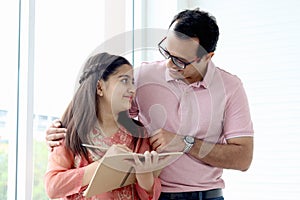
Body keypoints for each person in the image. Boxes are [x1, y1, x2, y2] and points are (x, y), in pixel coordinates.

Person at [46, 8, 254, 200]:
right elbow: (99, 99)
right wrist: (61, 126)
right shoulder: (144, 76)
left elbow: (243, 158)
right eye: (167, 52)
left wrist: (186, 142)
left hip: (206, 195)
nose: (170, 64)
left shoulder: (230, 88)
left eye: (180, 60)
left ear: (207, 57)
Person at [44, 52, 162, 199]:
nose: (132, 89)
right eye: (124, 81)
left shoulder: (138, 134)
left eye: (133, 82)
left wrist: (146, 179)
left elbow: (151, 196)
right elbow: (53, 187)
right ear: (100, 87)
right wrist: (104, 166)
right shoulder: (68, 131)